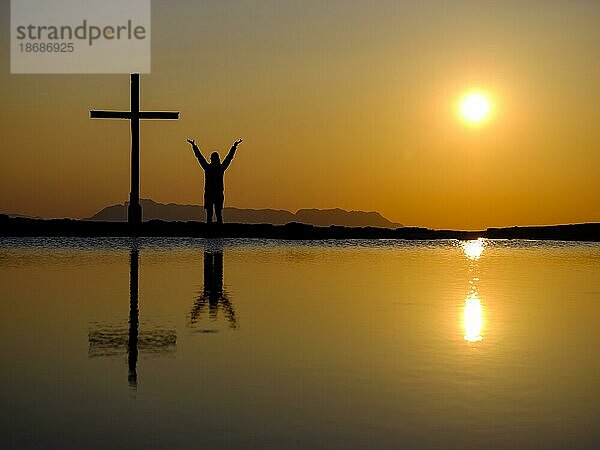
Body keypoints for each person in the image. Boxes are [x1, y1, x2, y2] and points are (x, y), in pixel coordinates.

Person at [187, 138, 242, 224]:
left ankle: (211, 229)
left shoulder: (209, 168)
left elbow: (200, 158)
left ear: (211, 159)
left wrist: (194, 146)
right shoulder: (220, 168)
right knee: (217, 213)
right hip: (216, 193)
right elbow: (229, 158)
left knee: (212, 214)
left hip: (211, 193)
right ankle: (218, 229)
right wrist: (234, 147)